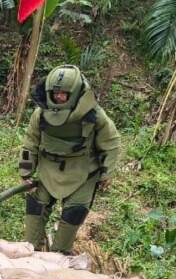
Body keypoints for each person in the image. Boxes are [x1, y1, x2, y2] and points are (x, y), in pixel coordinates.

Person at [19, 64, 121, 253]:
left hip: (82, 172)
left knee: (74, 212)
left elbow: (111, 142)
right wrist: (25, 172)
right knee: (35, 207)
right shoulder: (40, 114)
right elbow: (30, 143)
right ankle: (30, 250)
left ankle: (59, 254)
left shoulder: (94, 114)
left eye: (63, 94)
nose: (58, 97)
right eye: (55, 93)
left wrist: (107, 173)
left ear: (74, 93)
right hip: (48, 169)